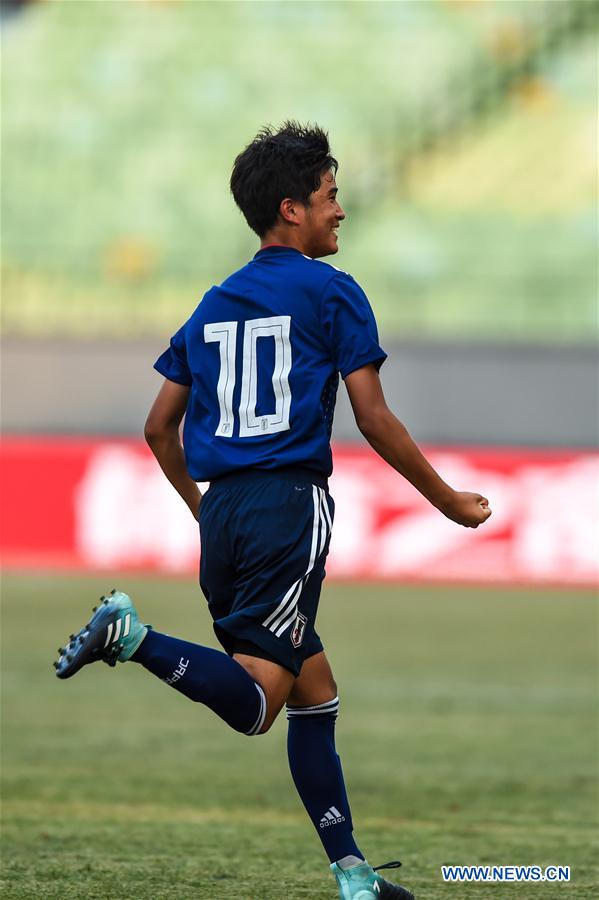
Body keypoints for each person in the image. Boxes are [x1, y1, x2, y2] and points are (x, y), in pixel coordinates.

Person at [55, 122, 491, 900]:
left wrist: (202, 509)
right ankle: (133, 636)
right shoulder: (332, 292)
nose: (340, 211)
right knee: (260, 702)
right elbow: (375, 418)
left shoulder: (215, 301)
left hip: (223, 511)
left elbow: (159, 428)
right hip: (287, 504)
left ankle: (353, 874)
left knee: (313, 691)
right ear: (291, 208)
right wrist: (448, 500)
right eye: (329, 196)